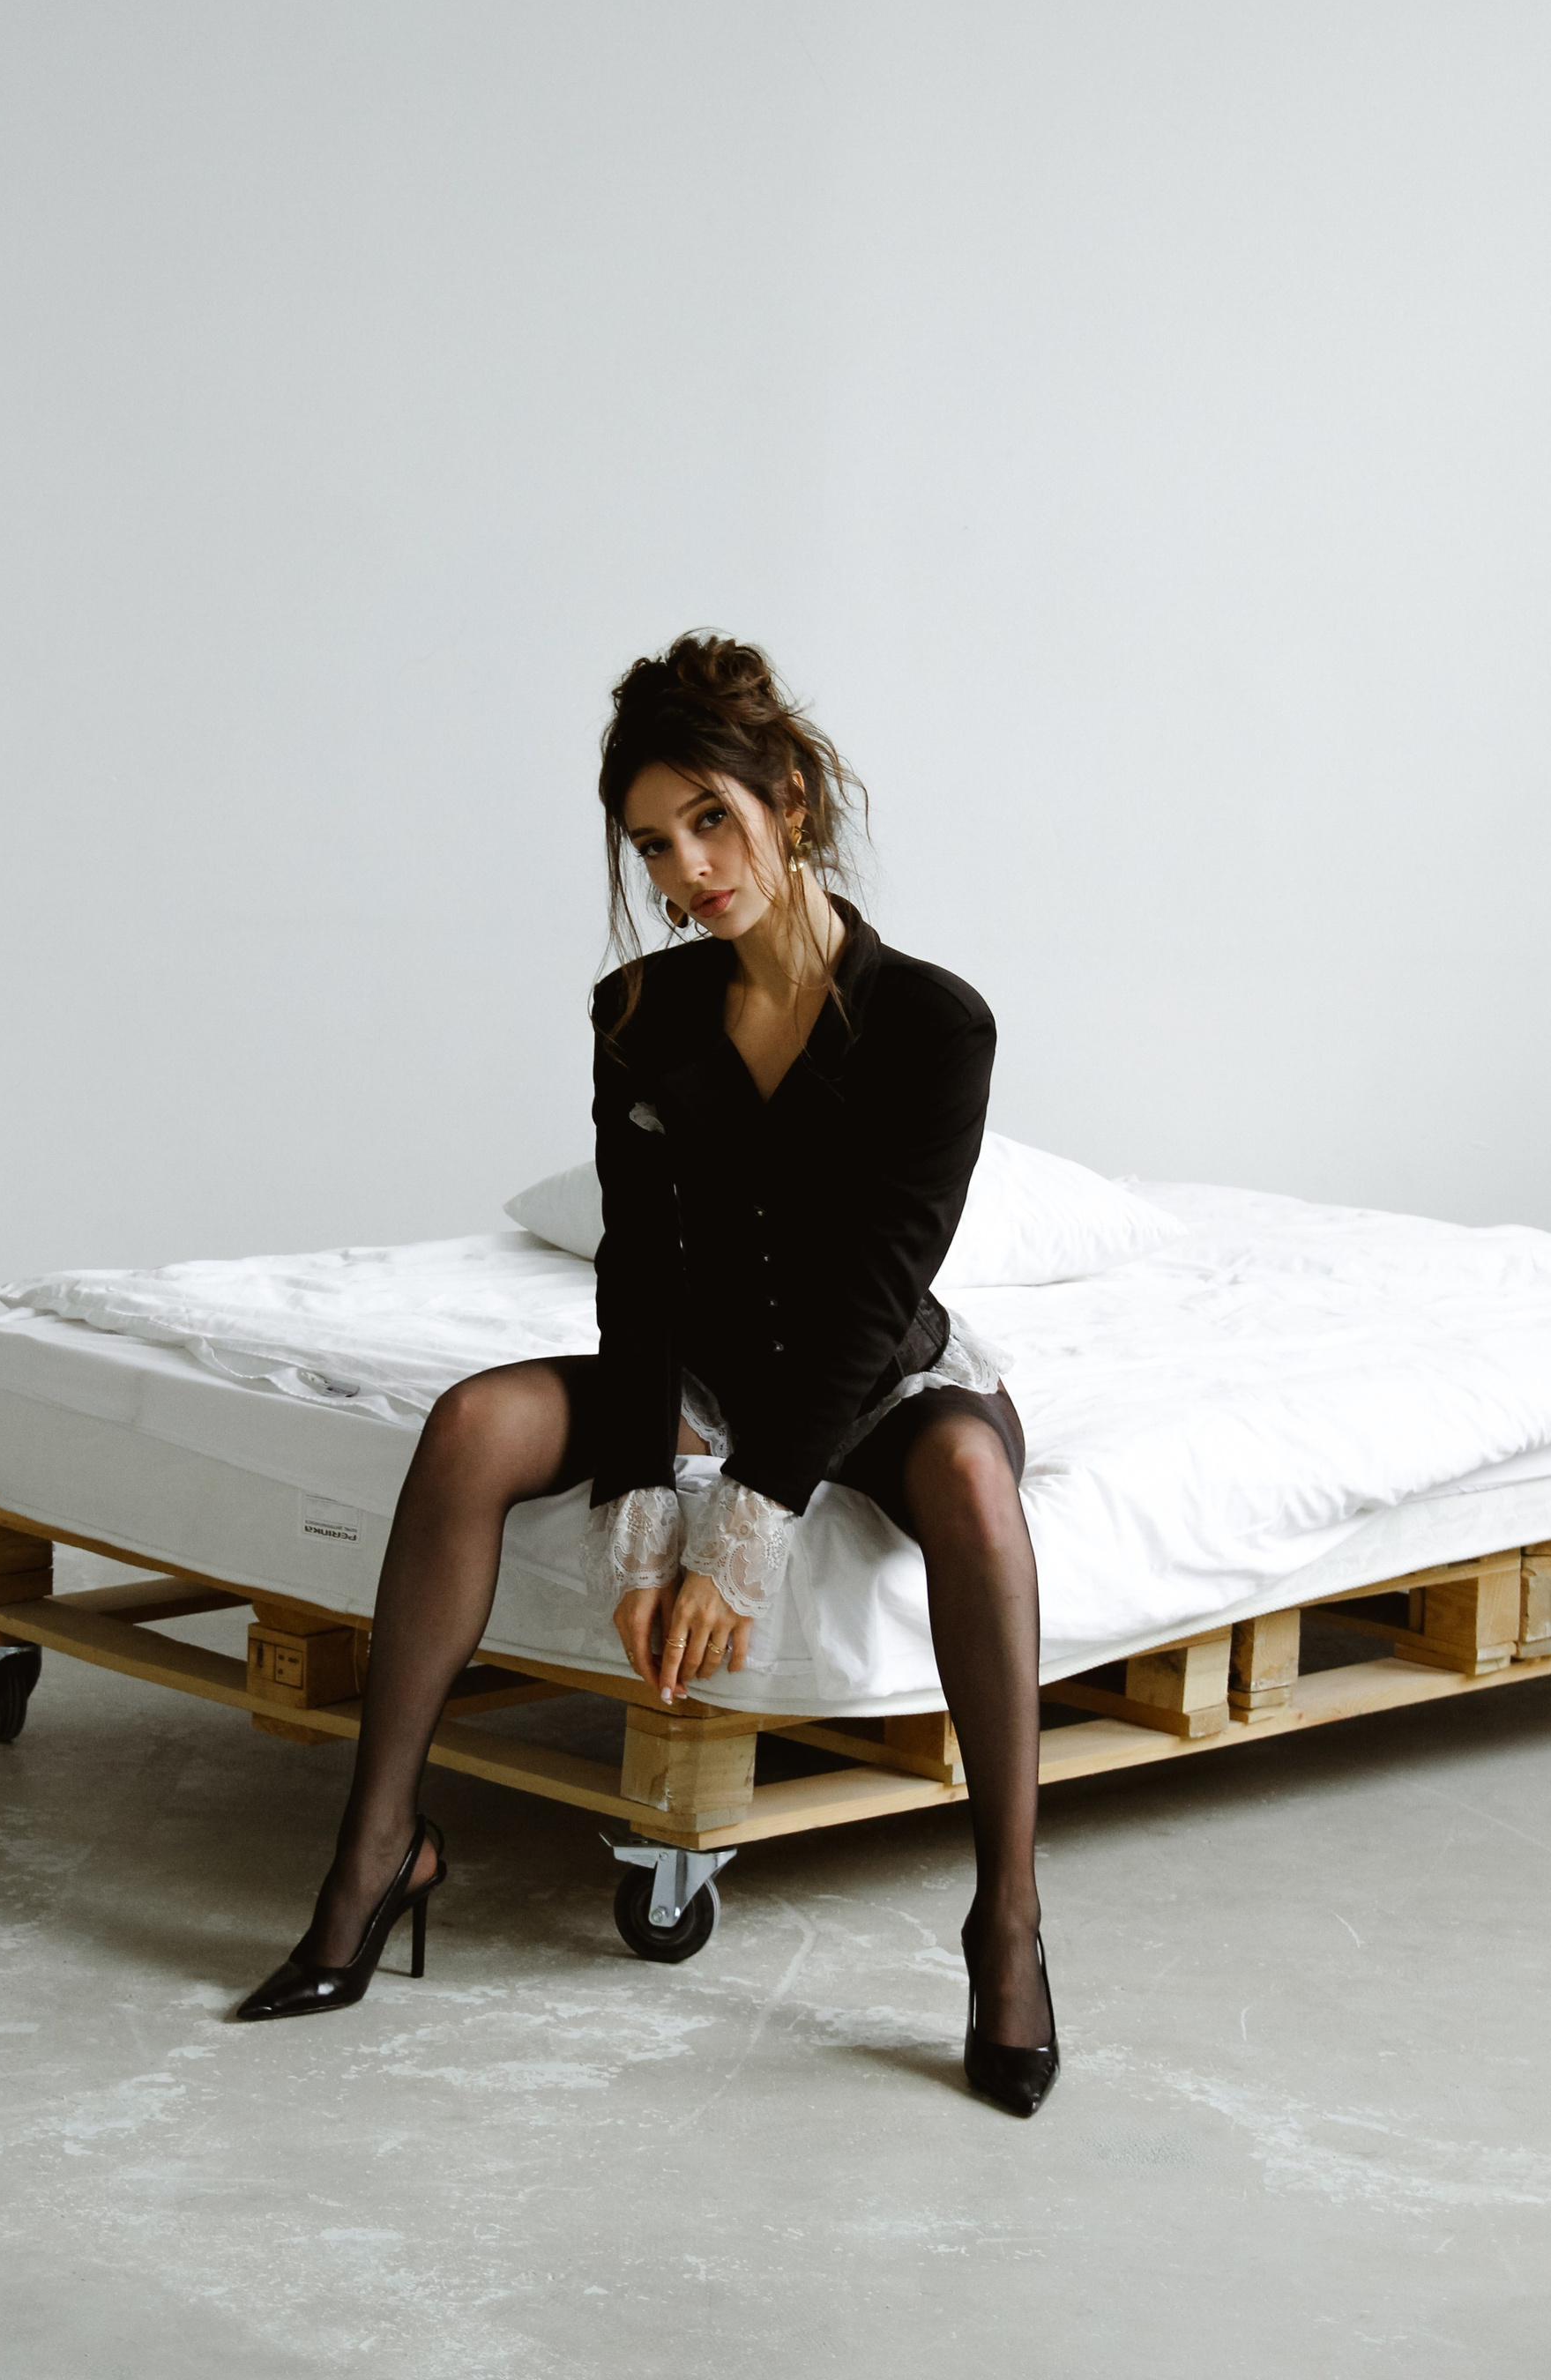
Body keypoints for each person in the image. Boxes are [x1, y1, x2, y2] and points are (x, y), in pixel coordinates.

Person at [239, 634, 1058, 2117]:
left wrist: (742, 1528)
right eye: (654, 843)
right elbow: (642, 1273)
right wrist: (640, 1493)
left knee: (969, 1478)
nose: (688, 869)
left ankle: (1007, 1924)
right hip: (712, 1374)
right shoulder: (640, 1013)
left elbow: (874, 1297)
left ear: (790, 800)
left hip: (874, 1376)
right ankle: (377, 1854)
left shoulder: (936, 1024)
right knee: (473, 1422)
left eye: (711, 822)